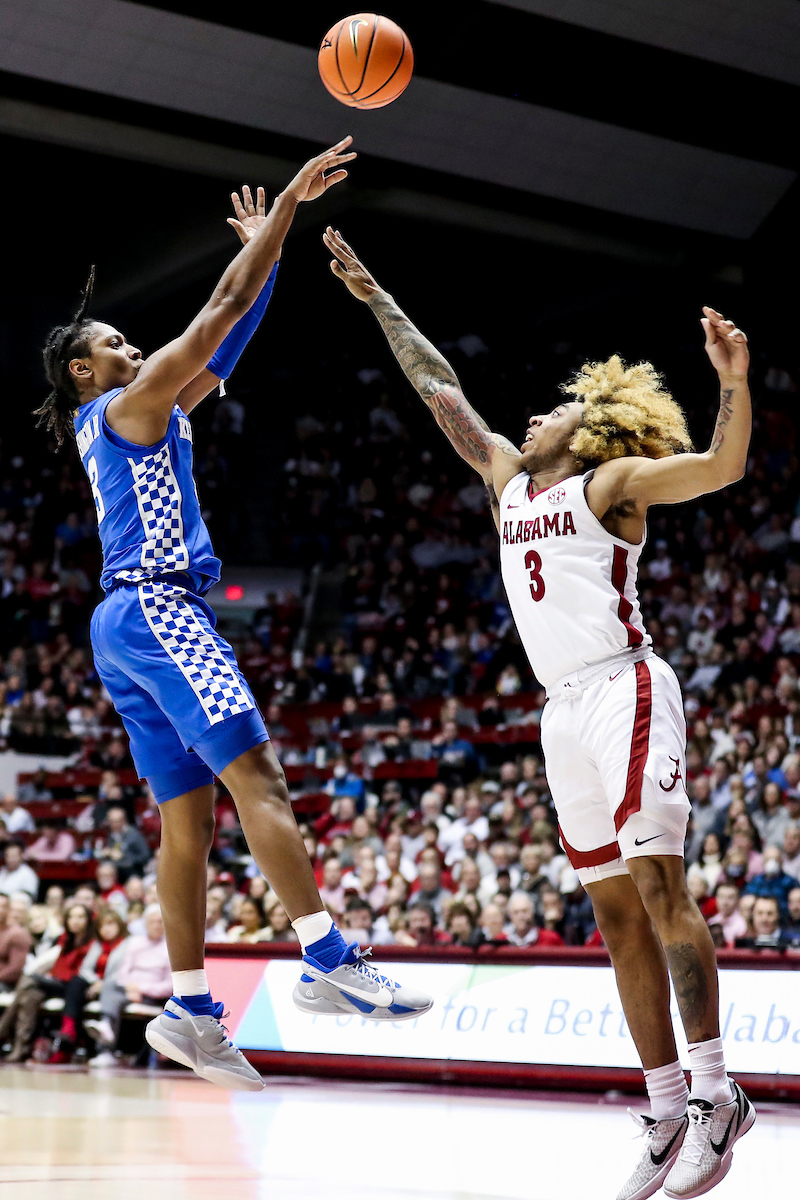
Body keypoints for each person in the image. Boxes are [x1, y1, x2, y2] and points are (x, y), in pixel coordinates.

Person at [325, 228, 754, 1199]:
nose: (533, 411)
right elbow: (438, 386)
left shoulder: (612, 484)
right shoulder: (506, 479)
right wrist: (376, 297)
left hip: (624, 688)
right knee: (612, 914)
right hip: (561, 712)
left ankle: (715, 1094)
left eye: (555, 405)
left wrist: (731, 380)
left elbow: (722, 467)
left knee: (658, 888)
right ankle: (662, 1109)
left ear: (591, 427)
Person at [37, 140, 431, 1088]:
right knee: (262, 779)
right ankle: (327, 958)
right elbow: (215, 309)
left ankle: (188, 1008)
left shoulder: (142, 412)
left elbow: (226, 342)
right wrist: (288, 204)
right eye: (115, 347)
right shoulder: (127, 407)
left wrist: (270, 253)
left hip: (120, 626)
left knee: (189, 825)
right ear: (85, 373)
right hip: (158, 608)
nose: (133, 350)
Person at [0, 901, 95, 1062]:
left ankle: (3, 1029)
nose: (75, 921)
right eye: (72, 917)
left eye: (80, 917)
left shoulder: (92, 942)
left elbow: (80, 972)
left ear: (88, 920)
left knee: (29, 979)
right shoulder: (64, 939)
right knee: (30, 995)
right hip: (57, 983)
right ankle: (21, 1048)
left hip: (75, 988)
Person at [50, 907, 128, 1063]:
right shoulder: (97, 945)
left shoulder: (127, 945)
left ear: (119, 925)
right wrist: (96, 982)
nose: (106, 929)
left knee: (76, 990)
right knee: (76, 982)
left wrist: (103, 984)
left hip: (116, 987)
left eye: (110, 924)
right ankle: (68, 1031)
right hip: (94, 986)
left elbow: (124, 972)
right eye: (102, 926)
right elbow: (85, 969)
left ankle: (73, 1040)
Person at [0, 892, 31, 996]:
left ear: (9, 910)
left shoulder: (17, 934)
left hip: (6, 983)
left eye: (2, 906)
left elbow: (15, 970)